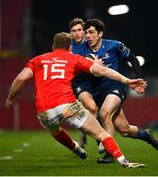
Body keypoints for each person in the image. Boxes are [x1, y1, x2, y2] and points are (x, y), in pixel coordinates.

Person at [5, 32, 147, 168]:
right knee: (101, 133)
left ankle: (75, 148)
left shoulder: (38, 60)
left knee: (55, 130)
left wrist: (11, 97)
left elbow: (21, 78)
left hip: (44, 110)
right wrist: (126, 80)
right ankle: (123, 161)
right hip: (68, 105)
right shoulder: (74, 58)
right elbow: (102, 71)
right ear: (70, 48)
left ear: (53, 47)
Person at [72, 18, 158, 164]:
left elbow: (132, 59)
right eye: (86, 33)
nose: (88, 36)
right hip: (94, 90)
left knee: (104, 113)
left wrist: (139, 78)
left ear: (100, 33)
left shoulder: (114, 46)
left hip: (113, 87)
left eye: (91, 32)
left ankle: (109, 154)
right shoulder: (79, 48)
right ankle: (146, 135)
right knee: (125, 130)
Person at [69, 17, 87, 148]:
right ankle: (83, 133)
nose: (77, 33)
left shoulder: (92, 43)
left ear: (84, 31)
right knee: (83, 109)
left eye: (79, 30)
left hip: (95, 81)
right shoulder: (68, 48)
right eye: (74, 30)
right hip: (77, 82)